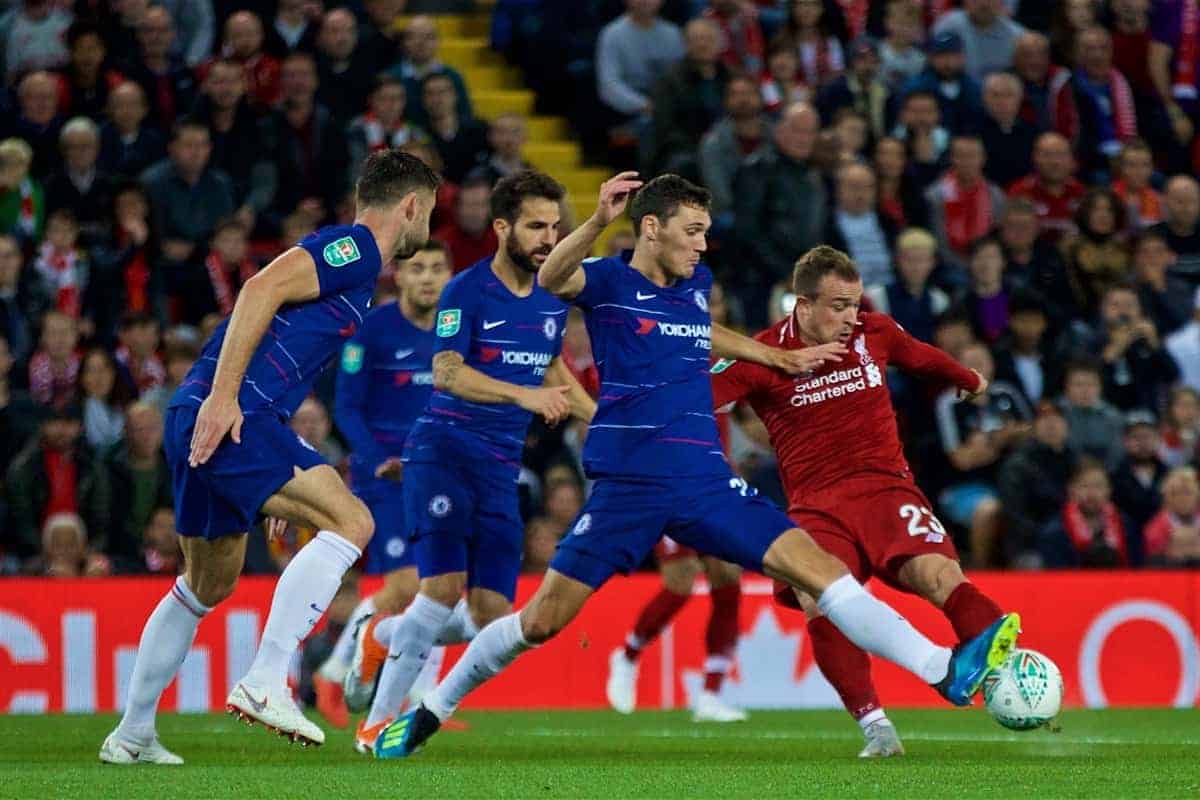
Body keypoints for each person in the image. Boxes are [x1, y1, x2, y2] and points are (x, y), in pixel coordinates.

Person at [373, 175, 1021, 760]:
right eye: (692, 232)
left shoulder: (694, 287)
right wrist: (597, 219)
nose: (702, 246)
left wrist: (777, 359)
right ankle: (431, 711)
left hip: (705, 480)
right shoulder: (607, 281)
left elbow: (699, 332)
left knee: (816, 570)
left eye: (706, 233)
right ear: (650, 229)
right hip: (628, 486)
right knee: (540, 621)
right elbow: (549, 280)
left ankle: (942, 668)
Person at [98, 149, 439, 763]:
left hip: (210, 414)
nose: (429, 231)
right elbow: (260, 286)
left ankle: (132, 734)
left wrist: (282, 464)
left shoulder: (358, 273)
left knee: (206, 583)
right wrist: (227, 400)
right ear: (410, 205)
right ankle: (267, 679)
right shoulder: (356, 249)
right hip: (231, 414)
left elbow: (282, 347)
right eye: (429, 215)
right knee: (353, 521)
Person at [708, 244, 1012, 756]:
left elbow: (921, 356)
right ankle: (876, 726)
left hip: (887, 490)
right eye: (837, 306)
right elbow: (697, 397)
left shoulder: (876, 331)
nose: (851, 317)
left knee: (939, 577)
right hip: (817, 507)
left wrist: (968, 379)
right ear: (801, 306)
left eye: (854, 304)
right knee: (818, 602)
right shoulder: (762, 357)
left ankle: (1005, 675)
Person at [346, 171, 596, 752]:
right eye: (536, 226)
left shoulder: (550, 303)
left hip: (498, 467)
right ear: (503, 227)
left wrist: (604, 421)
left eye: (555, 228)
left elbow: (554, 372)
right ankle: (376, 727)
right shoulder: (465, 290)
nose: (548, 238)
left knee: (490, 614)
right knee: (439, 590)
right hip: (443, 452)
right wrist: (522, 395)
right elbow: (448, 372)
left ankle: (381, 633)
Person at [311, 240, 452, 734]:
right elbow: (346, 407)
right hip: (386, 478)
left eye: (437, 269)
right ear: (399, 275)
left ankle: (413, 695)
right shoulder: (371, 331)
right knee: (405, 586)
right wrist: (376, 461)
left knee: (442, 586)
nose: (428, 278)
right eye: (418, 269)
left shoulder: (454, 330)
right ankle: (331, 674)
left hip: (437, 473)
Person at [1143, 466, 1200, 566]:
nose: (1182, 498)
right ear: (1166, 498)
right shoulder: (1154, 529)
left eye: (1188, 492)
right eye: (1175, 493)